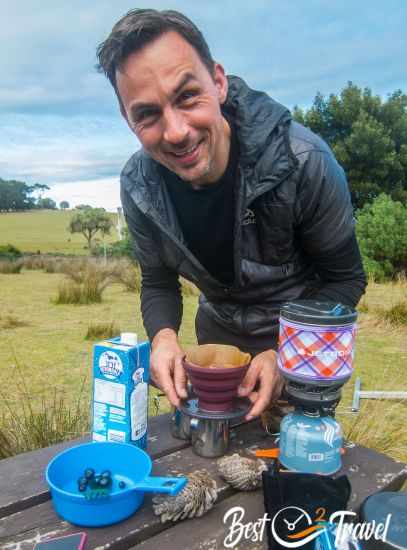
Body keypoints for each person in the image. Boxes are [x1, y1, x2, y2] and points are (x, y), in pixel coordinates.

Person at [97, 9, 367, 420]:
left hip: (306, 350)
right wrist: (163, 338)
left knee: (295, 463)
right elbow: (157, 279)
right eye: (147, 113)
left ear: (218, 82)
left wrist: (286, 355)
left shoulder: (304, 160)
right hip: (217, 343)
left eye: (187, 96)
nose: (176, 132)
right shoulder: (138, 184)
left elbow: (345, 279)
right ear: (128, 119)